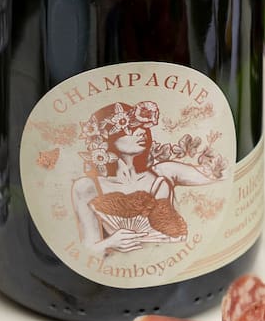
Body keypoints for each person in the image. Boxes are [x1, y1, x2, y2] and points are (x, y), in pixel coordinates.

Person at [70, 100, 225, 255]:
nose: (141, 132)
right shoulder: (87, 187)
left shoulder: (164, 171)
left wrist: (206, 156)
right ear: (107, 137)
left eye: (143, 127)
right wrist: (110, 242)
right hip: (115, 264)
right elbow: (88, 249)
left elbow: (221, 175)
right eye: (131, 128)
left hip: (176, 257)